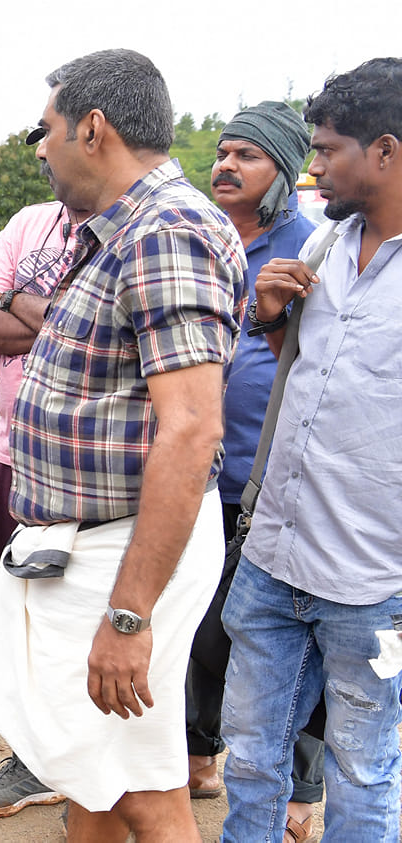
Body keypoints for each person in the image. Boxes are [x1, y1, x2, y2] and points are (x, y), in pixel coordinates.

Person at [0, 50, 246, 841]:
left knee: (139, 788)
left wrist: (128, 616)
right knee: (93, 776)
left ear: (92, 128)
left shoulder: (167, 231)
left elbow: (192, 428)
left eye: (48, 127)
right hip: (94, 544)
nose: (39, 146)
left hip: (120, 555)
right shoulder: (121, 230)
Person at [221, 57, 402, 843]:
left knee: (362, 771)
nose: (314, 165)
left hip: (376, 581)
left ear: (387, 152)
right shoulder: (327, 247)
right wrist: (265, 315)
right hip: (274, 557)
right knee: (252, 756)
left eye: (328, 150)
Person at [184, 102, 322, 837]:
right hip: (205, 472)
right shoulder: (207, 239)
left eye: (247, 155)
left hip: (280, 479)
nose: (226, 166)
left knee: (289, 633)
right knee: (204, 624)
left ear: (287, 169)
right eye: (222, 152)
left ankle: (299, 795)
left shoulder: (316, 247)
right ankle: (199, 756)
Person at [0, 177, 85, 817]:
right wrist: (57, 320)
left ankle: (69, 763)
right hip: (14, 453)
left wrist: (18, 300)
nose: (41, 151)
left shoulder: (135, 228)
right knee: (19, 605)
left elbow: (100, 343)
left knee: (75, 610)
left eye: (52, 132)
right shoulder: (32, 221)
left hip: (85, 466)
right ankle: (40, 755)